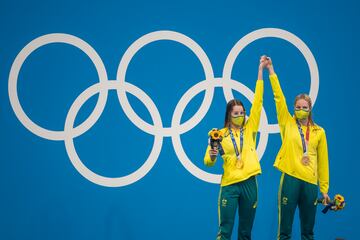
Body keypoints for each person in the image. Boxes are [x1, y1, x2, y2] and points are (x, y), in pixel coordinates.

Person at [203, 55, 269, 240]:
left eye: (242, 112)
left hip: (249, 183)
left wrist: (260, 72)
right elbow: (207, 162)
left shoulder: (250, 130)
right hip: (229, 186)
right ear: (229, 115)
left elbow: (258, 102)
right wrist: (213, 155)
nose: (241, 115)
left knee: (245, 232)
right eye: (236, 113)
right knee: (225, 231)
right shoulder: (218, 135)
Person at [266, 57, 330, 240]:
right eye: (298, 107)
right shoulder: (287, 123)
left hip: (310, 184)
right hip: (290, 179)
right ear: (293, 108)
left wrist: (324, 189)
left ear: (310, 109)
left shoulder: (319, 132)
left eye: (305, 107)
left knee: (308, 232)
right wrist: (271, 70)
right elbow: (278, 98)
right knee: (285, 231)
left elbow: (323, 162)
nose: (301, 110)